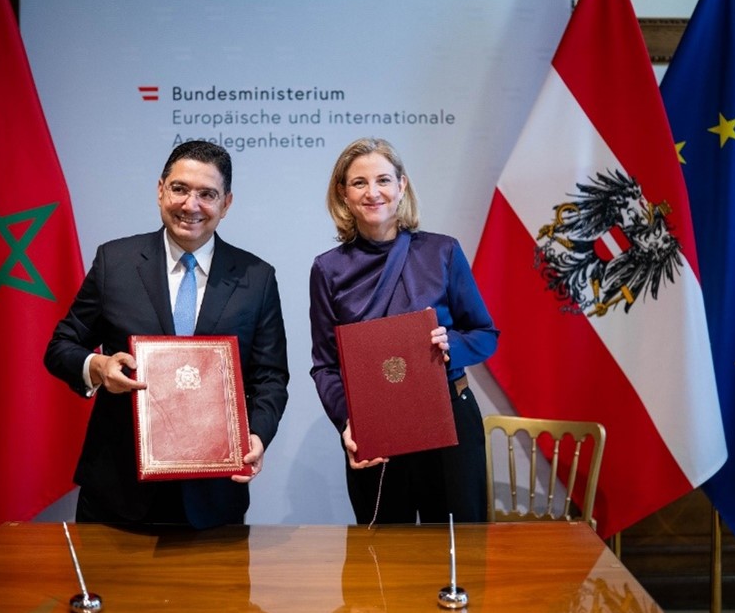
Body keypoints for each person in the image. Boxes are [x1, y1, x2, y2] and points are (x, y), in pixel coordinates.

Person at [45, 140, 288, 529]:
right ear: (160, 190)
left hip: (214, 494)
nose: (191, 205)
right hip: (117, 492)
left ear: (226, 203)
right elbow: (61, 346)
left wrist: (257, 435)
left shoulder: (257, 278)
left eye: (207, 194)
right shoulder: (115, 262)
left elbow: (270, 377)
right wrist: (99, 367)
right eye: (180, 189)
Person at [309, 137, 498, 525]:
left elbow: (484, 333)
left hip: (449, 418)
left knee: (458, 546)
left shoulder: (443, 252)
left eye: (383, 180)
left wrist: (451, 345)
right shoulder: (328, 269)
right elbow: (326, 366)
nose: (372, 192)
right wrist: (348, 422)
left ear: (401, 185)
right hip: (374, 425)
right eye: (359, 182)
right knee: (384, 552)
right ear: (343, 193)